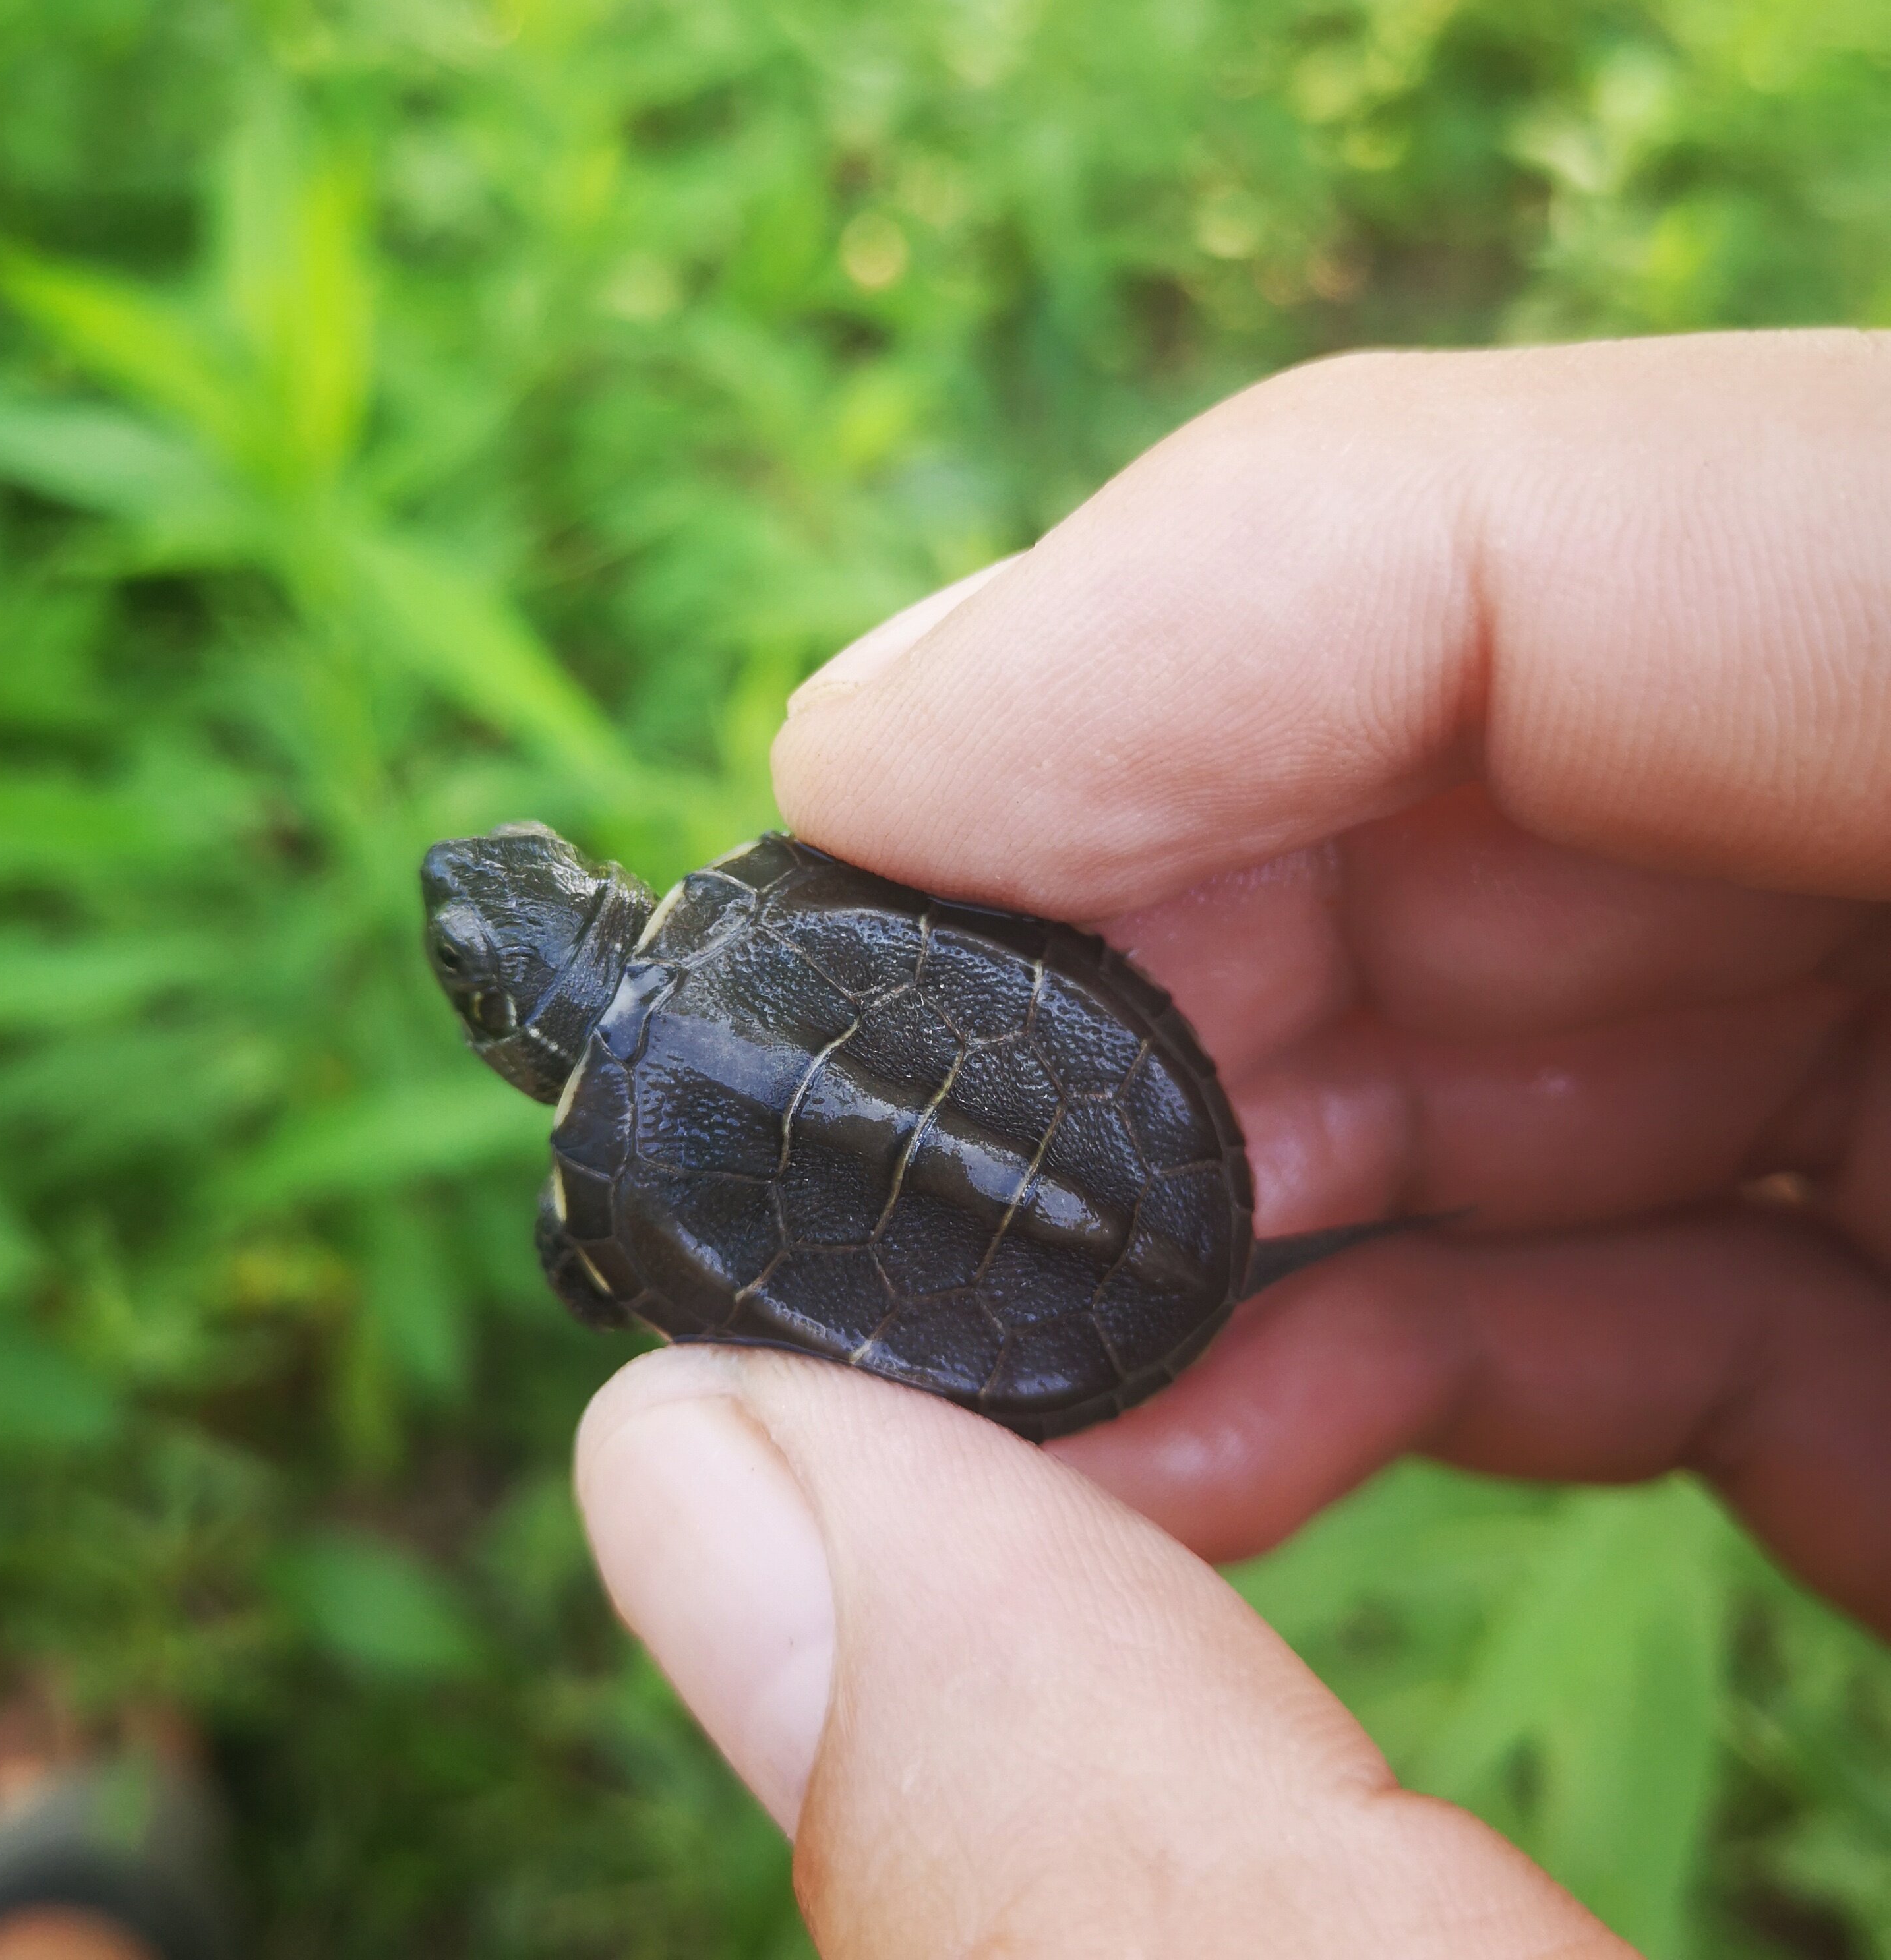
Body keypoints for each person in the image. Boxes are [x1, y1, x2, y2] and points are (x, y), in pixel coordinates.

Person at [576, 330, 1891, 1957]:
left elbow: (612, 1270)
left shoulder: (613, 1191)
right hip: (1130, 1149)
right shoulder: (751, 911)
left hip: (1058, 1268)